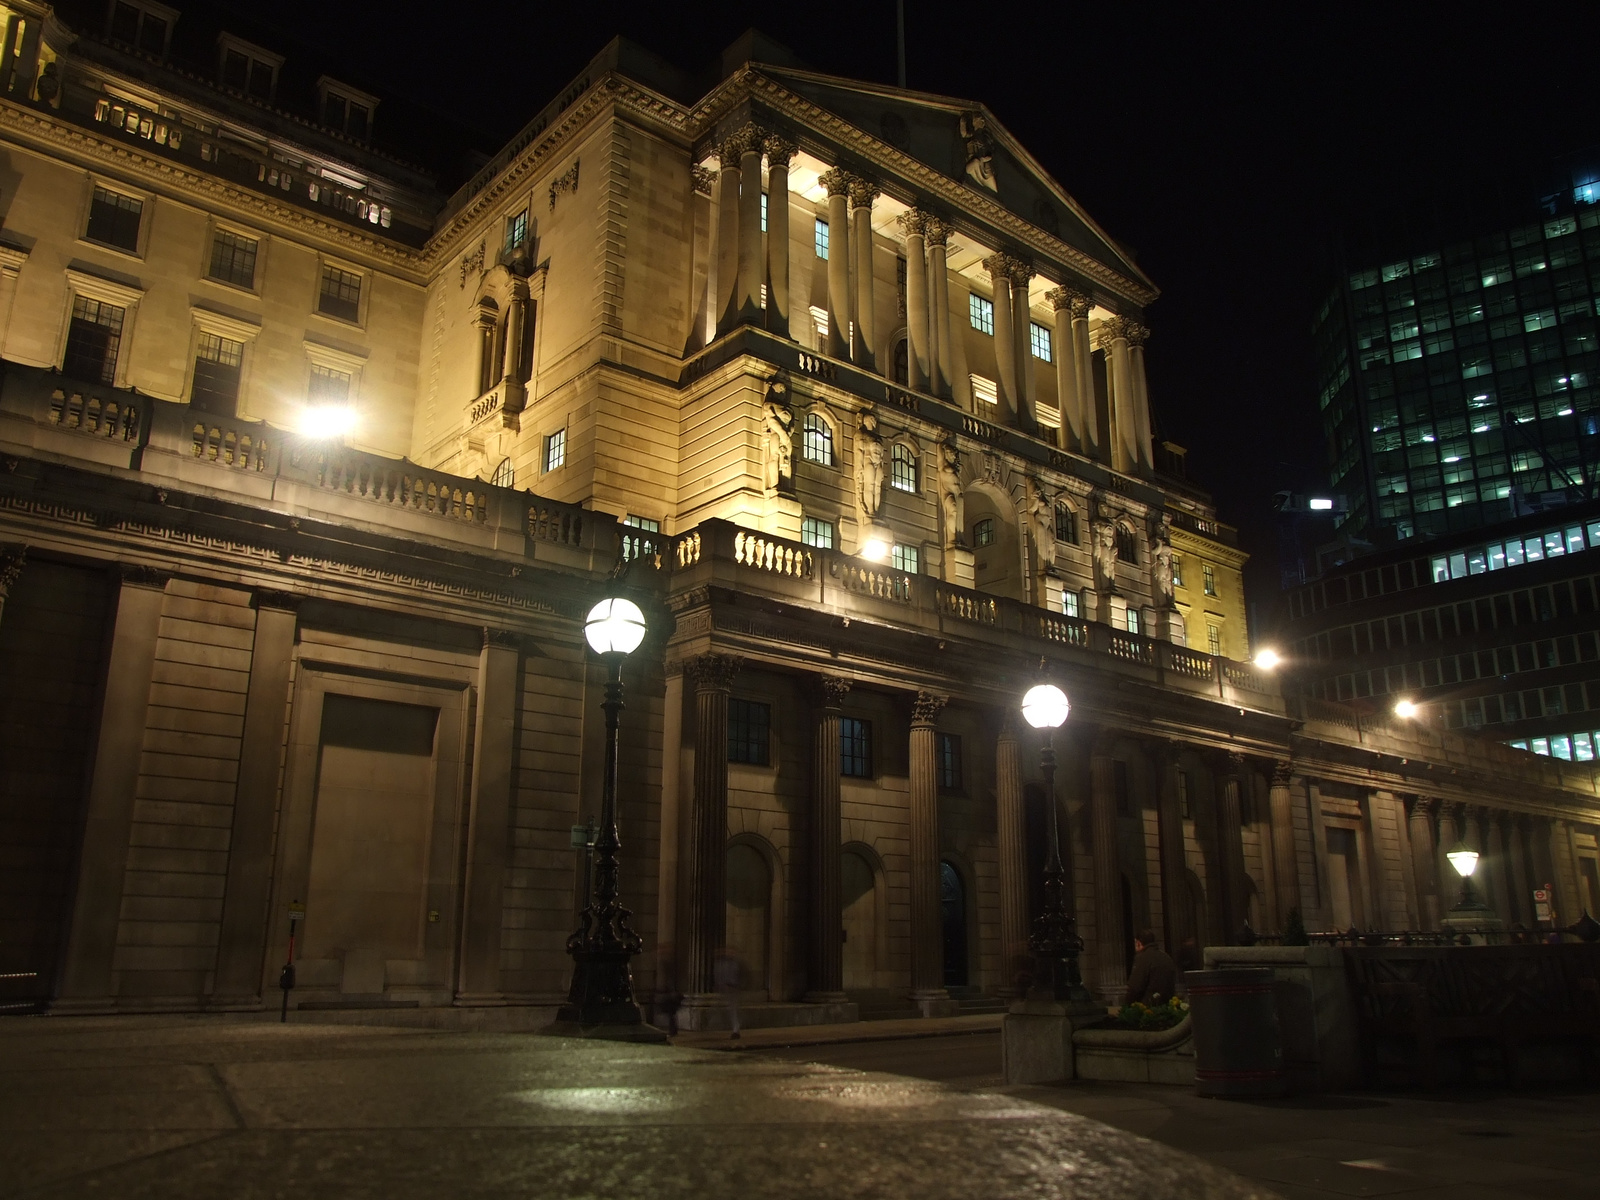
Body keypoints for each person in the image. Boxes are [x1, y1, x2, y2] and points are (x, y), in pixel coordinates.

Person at [1123, 929, 1179, 1007]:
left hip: (1149, 1007)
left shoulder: (1143, 958)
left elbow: (1135, 987)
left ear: (1138, 943)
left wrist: (1126, 1006)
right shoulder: (1166, 957)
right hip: (1167, 1006)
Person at [713, 947, 742, 1039]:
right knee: (728, 1009)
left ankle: (736, 1029)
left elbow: (734, 976)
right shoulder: (721, 963)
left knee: (732, 1010)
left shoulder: (734, 964)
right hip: (724, 988)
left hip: (731, 988)